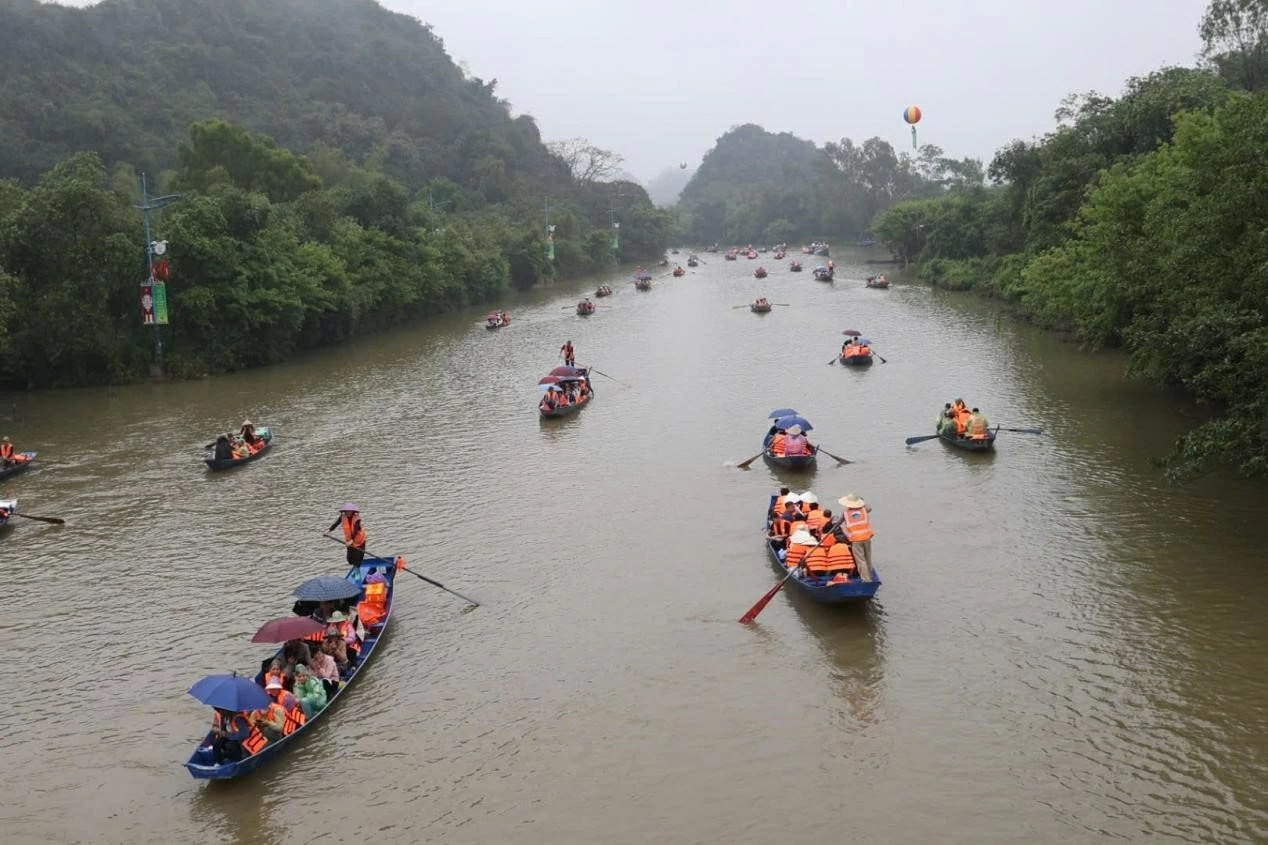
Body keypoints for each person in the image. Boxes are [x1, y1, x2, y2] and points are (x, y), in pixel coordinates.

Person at [838, 493, 874, 580]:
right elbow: (869, 508)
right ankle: (870, 576)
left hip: (856, 540)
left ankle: (866, 579)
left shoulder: (846, 513)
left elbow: (839, 522)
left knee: (861, 560)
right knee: (868, 558)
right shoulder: (864, 509)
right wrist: (862, 501)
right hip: (867, 537)